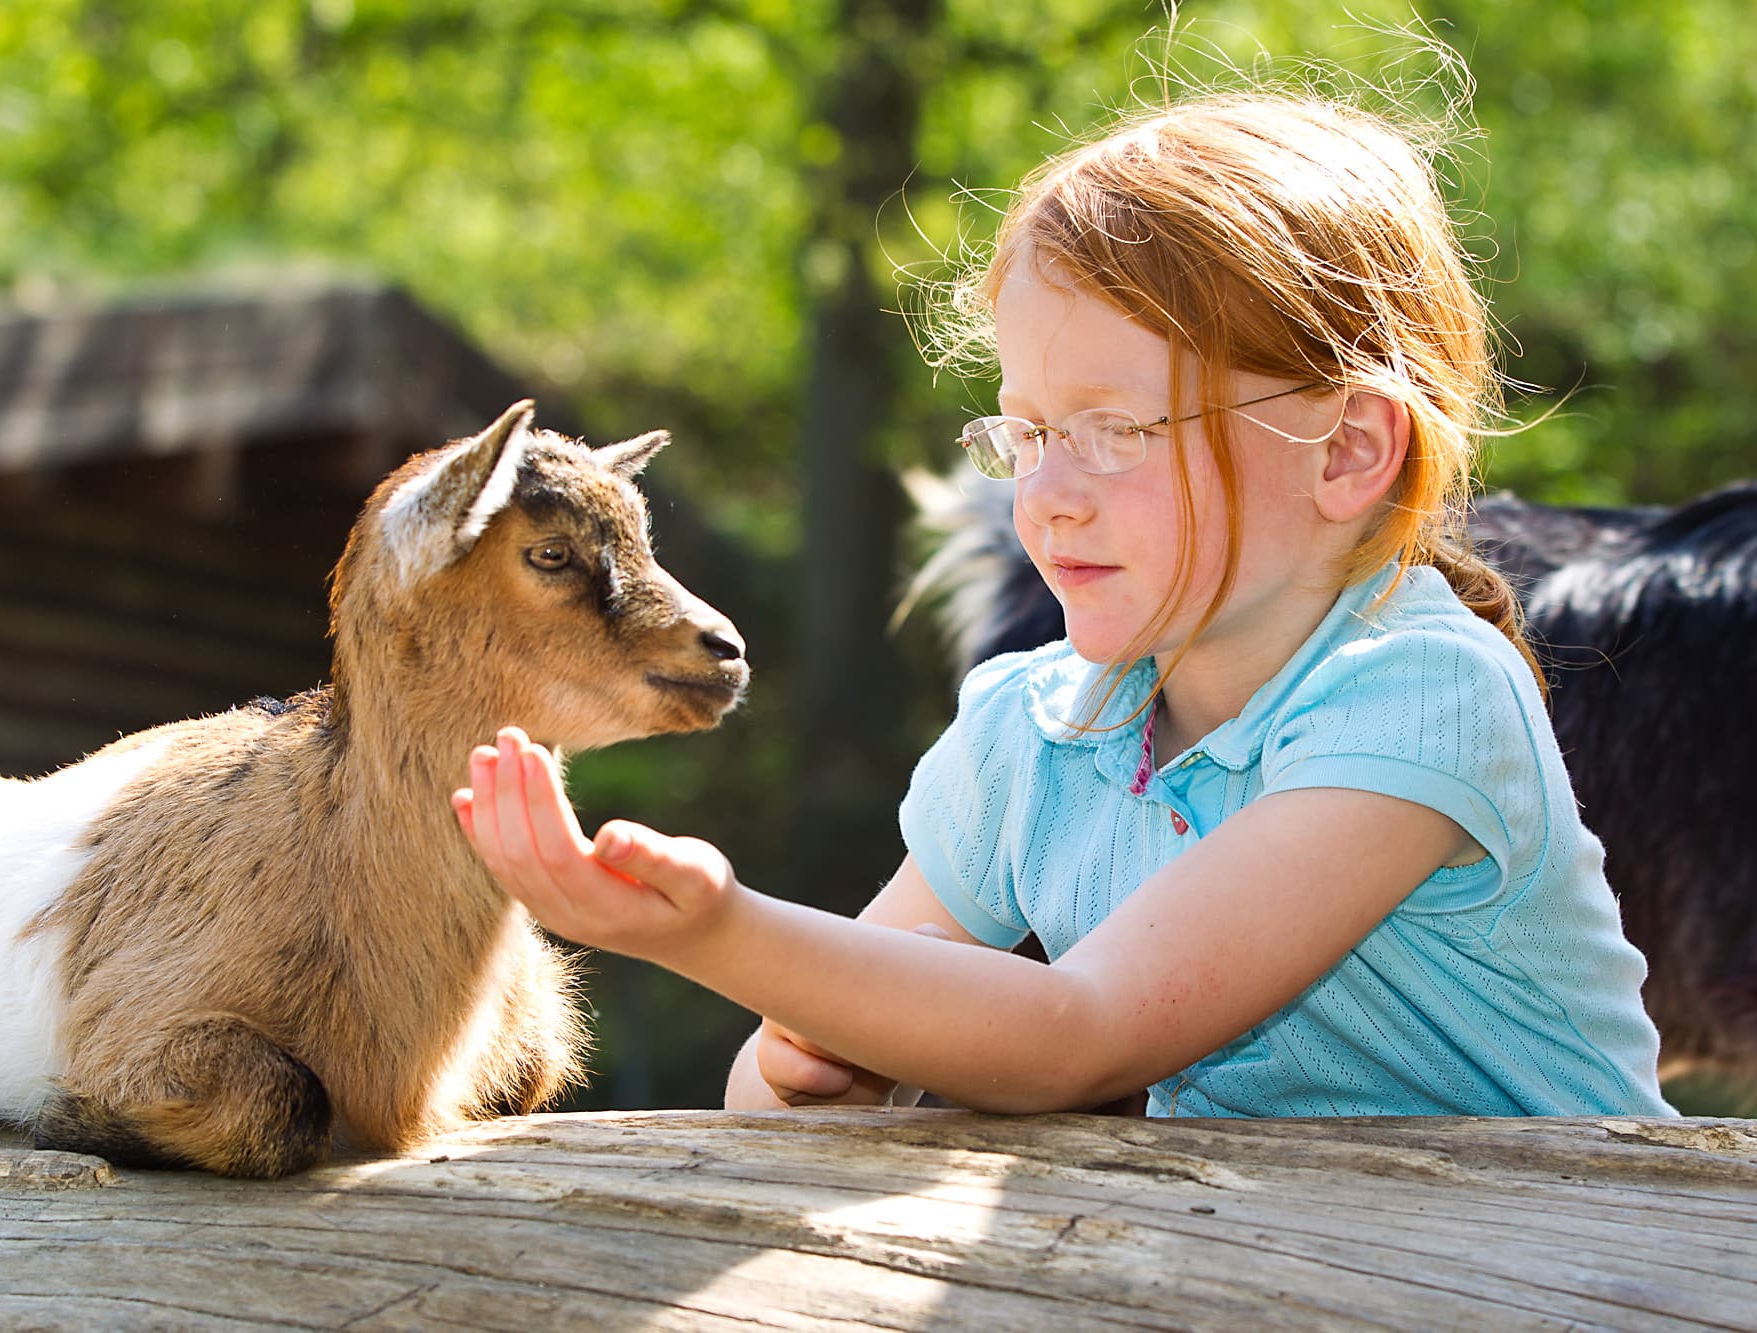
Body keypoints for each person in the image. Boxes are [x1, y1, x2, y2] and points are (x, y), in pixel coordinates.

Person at [452, 88, 1676, 1119]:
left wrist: (709, 929)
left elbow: (1073, 1032)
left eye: (1113, 431)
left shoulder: (1420, 695)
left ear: (1346, 450)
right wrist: (806, 1057)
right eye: (1027, 432)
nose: (1044, 497)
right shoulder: (1036, 732)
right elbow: (768, 1097)